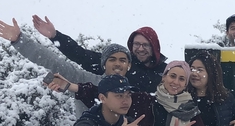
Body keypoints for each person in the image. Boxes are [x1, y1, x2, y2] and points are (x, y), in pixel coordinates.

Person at [0, 17, 130, 114]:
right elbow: (53, 61)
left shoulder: (137, 91)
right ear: (103, 64)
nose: (117, 63)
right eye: (112, 59)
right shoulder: (85, 79)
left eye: (122, 60)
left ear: (128, 65)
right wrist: (20, 40)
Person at [30, 15, 168, 92]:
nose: (140, 48)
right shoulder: (117, 64)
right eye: (137, 44)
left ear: (154, 47)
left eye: (146, 45)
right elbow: (81, 55)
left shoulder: (166, 72)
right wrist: (55, 36)